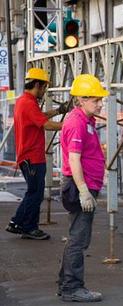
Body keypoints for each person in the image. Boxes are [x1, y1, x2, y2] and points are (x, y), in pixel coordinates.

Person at [57, 74, 109, 302]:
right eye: (95, 99)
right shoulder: (77, 123)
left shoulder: (85, 120)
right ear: (81, 99)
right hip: (80, 187)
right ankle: (72, 288)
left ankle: (66, 284)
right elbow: (75, 159)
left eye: (100, 99)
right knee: (79, 239)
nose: (100, 103)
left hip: (83, 185)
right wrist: (84, 190)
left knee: (75, 237)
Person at [5, 67, 65, 240]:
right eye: (44, 87)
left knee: (34, 192)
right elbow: (46, 124)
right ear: (37, 84)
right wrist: (70, 124)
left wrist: (59, 112)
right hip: (32, 157)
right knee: (35, 193)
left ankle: (18, 223)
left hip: (29, 156)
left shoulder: (25, 101)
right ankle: (27, 227)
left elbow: (39, 116)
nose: (44, 90)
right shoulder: (28, 103)